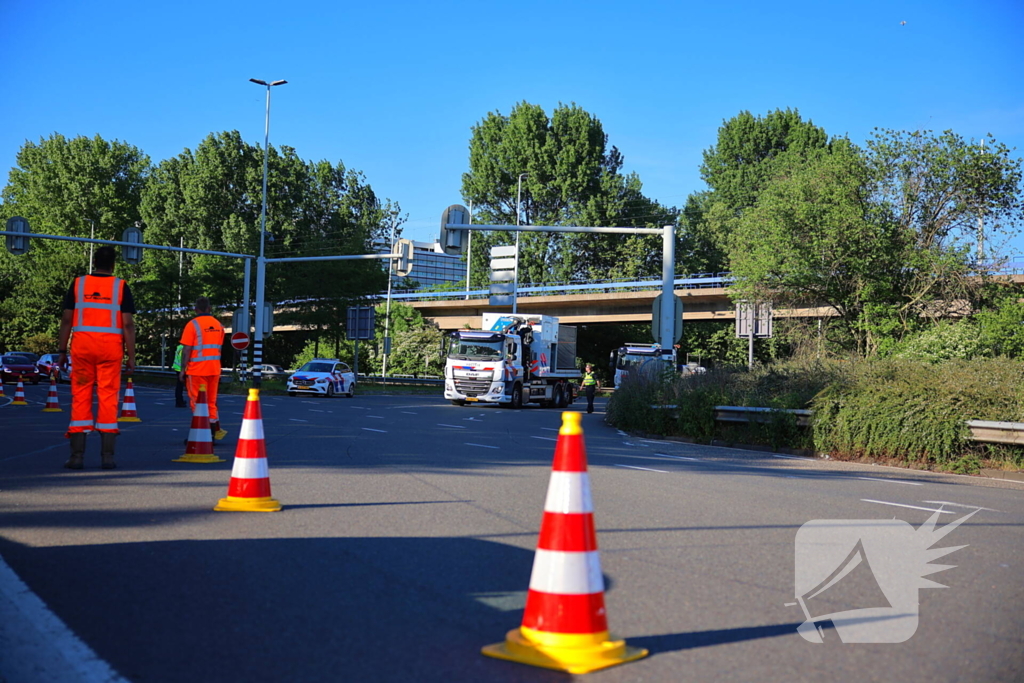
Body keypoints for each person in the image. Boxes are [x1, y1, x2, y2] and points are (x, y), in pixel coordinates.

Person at [57, 246, 137, 470]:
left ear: (94, 262)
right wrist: (131, 356)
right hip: (110, 350)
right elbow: (128, 324)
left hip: (82, 349)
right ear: (113, 264)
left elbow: (66, 320)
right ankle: (107, 456)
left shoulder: (78, 284)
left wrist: (62, 351)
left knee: (81, 396)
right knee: (108, 397)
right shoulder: (120, 286)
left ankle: (77, 457)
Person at [179, 297, 227, 441]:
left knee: (198, 402)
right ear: (209, 308)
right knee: (211, 402)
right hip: (214, 370)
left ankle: (200, 434)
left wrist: (183, 369)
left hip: (197, 371)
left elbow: (187, 350)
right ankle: (211, 434)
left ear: (196, 309)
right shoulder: (219, 325)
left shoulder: (192, 325)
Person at [172, 342, 187, 407]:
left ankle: (179, 401)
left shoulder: (179, 347)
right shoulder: (183, 348)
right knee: (180, 387)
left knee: (179, 386)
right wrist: (183, 370)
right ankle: (179, 402)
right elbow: (182, 359)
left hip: (177, 368)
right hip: (181, 369)